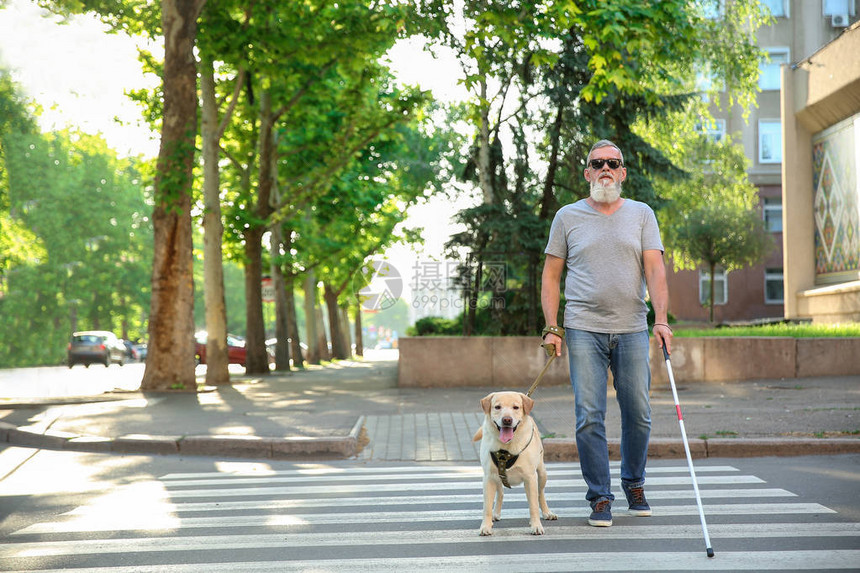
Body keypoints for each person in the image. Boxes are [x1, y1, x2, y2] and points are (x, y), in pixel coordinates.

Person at [541, 139, 673, 528]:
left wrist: (661, 319)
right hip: (583, 327)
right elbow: (551, 275)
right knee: (588, 416)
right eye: (597, 163)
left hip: (632, 327)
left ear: (623, 173)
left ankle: (634, 483)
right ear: (587, 173)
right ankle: (600, 496)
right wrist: (553, 327)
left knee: (640, 414)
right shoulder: (567, 216)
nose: (605, 169)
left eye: (613, 163)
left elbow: (655, 270)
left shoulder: (642, 214)